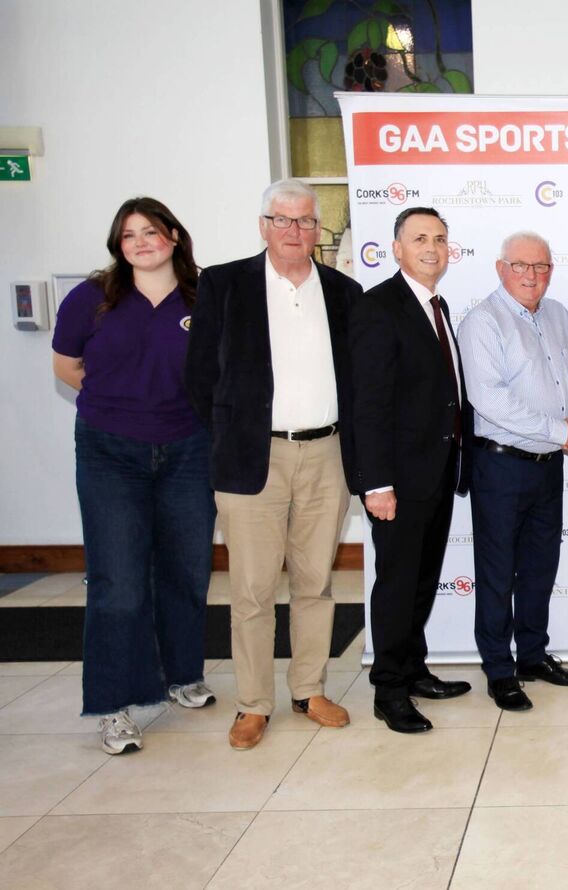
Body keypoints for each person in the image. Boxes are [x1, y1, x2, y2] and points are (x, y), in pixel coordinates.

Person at [185, 178, 360, 750]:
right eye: (282, 219)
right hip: (251, 458)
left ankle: (309, 690)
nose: (294, 230)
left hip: (327, 455)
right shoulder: (224, 284)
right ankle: (253, 704)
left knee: (315, 583)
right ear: (263, 225)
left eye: (305, 220)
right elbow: (199, 377)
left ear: (318, 229)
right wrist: (232, 434)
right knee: (253, 590)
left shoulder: (344, 290)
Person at [53, 197, 216, 755]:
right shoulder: (92, 297)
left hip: (189, 450)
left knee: (186, 571)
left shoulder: (204, 296)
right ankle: (112, 705)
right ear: (118, 246)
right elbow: (66, 366)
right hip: (110, 453)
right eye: (129, 235)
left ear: (174, 236)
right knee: (118, 583)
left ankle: (181, 674)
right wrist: (123, 406)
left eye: (150, 231)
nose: (141, 243)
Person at [349, 207, 473, 733]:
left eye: (440, 239)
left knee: (421, 581)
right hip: (397, 480)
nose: (432, 247)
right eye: (419, 238)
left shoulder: (436, 305)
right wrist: (377, 483)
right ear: (396, 248)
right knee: (398, 586)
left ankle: (414, 669)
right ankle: (389, 690)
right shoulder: (379, 307)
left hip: (436, 472)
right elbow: (368, 403)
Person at [457, 231, 568, 711]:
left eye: (541, 266)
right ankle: (499, 669)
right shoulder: (482, 322)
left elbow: (567, 376)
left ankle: (533, 655)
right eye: (520, 265)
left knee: (539, 567)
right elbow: (490, 400)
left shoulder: (558, 314)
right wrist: (562, 431)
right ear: (501, 268)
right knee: (497, 572)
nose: (531, 275)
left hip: (547, 465)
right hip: (501, 465)